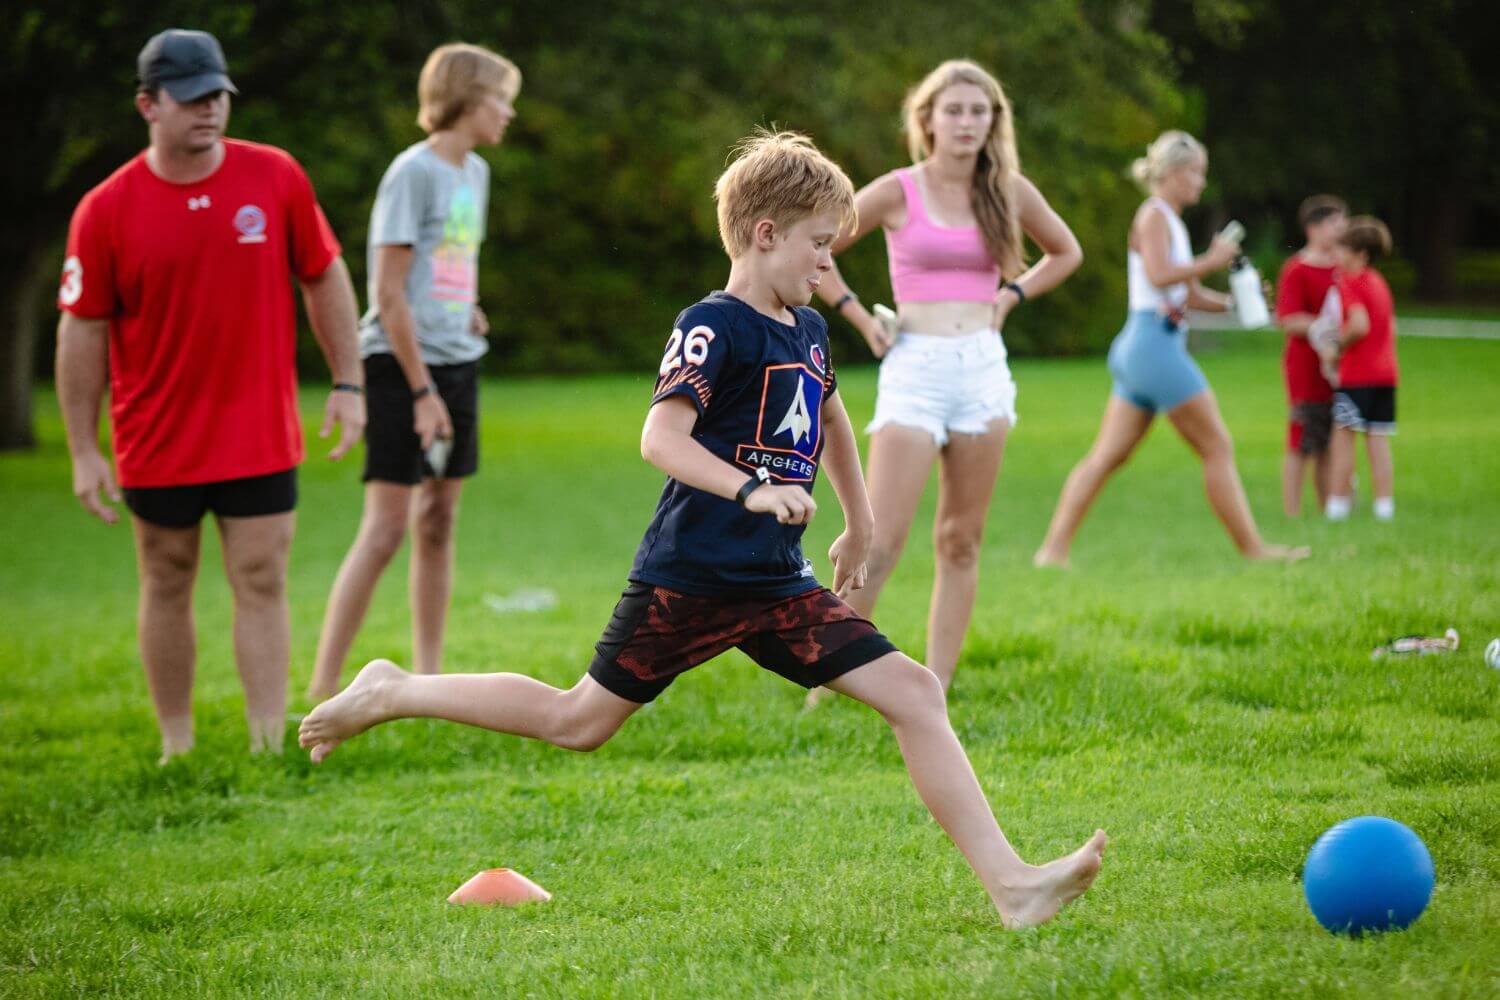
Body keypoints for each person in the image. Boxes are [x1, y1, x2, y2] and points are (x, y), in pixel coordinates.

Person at [299, 130, 1106, 928]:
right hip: (691, 575)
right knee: (577, 720)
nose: (829, 265)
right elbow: (660, 438)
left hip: (776, 581)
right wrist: (750, 488)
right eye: (818, 247)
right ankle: (391, 689)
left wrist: (860, 520)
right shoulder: (711, 325)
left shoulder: (810, 328)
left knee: (914, 691)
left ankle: (1013, 886)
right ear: (765, 235)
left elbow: (830, 417)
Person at [55, 29, 365, 762]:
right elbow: (82, 330)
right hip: (154, 435)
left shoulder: (275, 177)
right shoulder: (104, 209)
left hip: (257, 427)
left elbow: (324, 276)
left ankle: (266, 743)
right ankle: (177, 746)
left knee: (261, 576)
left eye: (219, 95)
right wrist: (80, 448)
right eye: (192, 99)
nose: (211, 110)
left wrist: (348, 382)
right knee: (165, 577)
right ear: (148, 106)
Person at [806, 59, 1082, 697]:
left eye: (978, 111)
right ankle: (828, 679)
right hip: (914, 371)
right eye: (953, 110)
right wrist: (854, 314)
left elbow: (1066, 252)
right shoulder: (899, 189)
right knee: (878, 536)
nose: (966, 122)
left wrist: (1011, 295)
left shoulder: (1008, 190)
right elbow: (818, 244)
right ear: (926, 119)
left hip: (983, 371)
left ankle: (938, 686)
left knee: (960, 540)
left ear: (994, 121)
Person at [308, 44, 520, 701]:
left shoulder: (476, 174)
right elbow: (389, 292)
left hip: (459, 361)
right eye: (499, 99)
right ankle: (321, 685)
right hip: (402, 368)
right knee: (385, 530)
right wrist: (422, 391)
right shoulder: (412, 172)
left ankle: (429, 679)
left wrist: (468, 307)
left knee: (440, 520)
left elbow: (446, 263)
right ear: (464, 99)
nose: (509, 112)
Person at [1032, 131, 1307, 566]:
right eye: (1196, 172)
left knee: (1106, 457)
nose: (1201, 182)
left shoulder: (1170, 221)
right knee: (1217, 446)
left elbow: (1188, 294)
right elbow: (1162, 275)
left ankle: (1052, 551)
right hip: (1152, 348)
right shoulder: (1154, 216)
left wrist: (1238, 303)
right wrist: (1212, 260)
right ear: (1174, 173)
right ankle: (1255, 550)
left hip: (1143, 348)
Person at [1274, 195, 1347, 515]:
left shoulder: (1344, 267)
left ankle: (1327, 507)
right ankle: (1292, 511)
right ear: (1313, 228)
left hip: (1339, 366)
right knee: (1301, 439)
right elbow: (1289, 319)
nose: (1340, 229)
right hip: (1305, 367)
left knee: (1332, 440)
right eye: (1334, 223)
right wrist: (1322, 327)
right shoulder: (1297, 269)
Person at [1322, 217, 1398, 522]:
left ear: (1361, 254)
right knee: (1378, 441)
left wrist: (1335, 347)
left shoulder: (1349, 283)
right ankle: (1384, 508)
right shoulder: (1379, 282)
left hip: (1357, 377)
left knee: (1342, 440)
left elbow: (1359, 324)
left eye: (1344, 250)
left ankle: (1336, 507)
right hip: (1386, 375)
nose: (1337, 256)